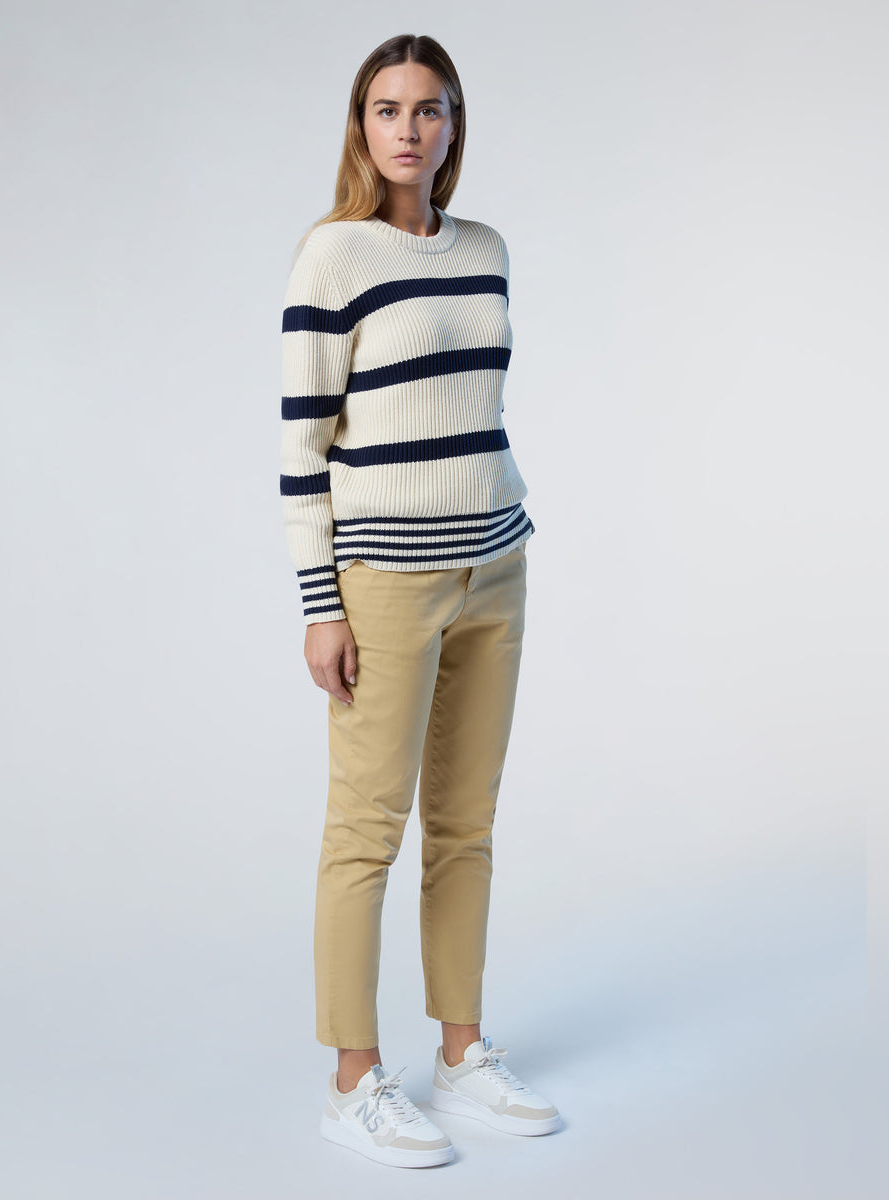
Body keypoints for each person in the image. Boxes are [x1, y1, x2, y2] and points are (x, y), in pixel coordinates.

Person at [279, 33, 561, 1168]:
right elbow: (302, 449)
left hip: (496, 563)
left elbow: (473, 404)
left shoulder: (486, 249)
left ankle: (461, 1051)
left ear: (453, 125)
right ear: (361, 125)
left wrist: (497, 530)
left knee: (466, 823)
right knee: (365, 831)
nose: (409, 128)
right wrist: (321, 603)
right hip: (384, 581)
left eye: (429, 108)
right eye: (387, 108)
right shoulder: (332, 256)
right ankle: (354, 1080)